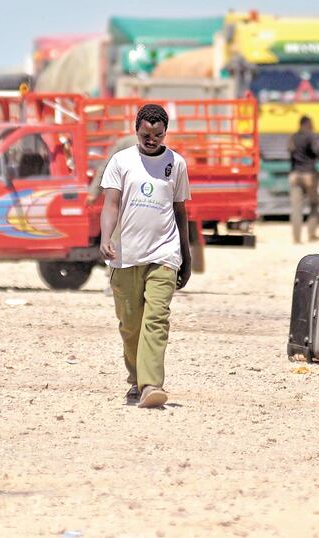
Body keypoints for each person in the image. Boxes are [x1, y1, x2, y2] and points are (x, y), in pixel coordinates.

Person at [99, 103, 192, 409]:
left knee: (156, 319)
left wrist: (186, 255)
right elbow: (111, 204)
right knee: (130, 324)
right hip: (125, 256)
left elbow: (180, 211)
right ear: (136, 130)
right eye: (146, 134)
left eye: (158, 134)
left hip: (164, 253)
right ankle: (136, 380)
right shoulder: (121, 161)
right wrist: (105, 236)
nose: (151, 139)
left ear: (165, 132)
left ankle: (152, 384)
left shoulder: (175, 164)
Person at [288, 116, 319, 243]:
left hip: (295, 175)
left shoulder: (293, 137)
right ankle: (311, 234)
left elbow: (290, 152)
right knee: (314, 204)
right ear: (307, 124)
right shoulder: (310, 136)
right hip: (309, 175)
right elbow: (318, 152)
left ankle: (296, 238)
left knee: (296, 208)